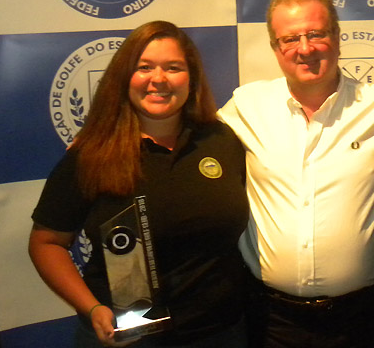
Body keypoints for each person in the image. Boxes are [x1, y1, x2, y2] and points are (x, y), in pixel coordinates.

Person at [29, 21, 249, 347]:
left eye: (173, 68)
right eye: (144, 67)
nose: (158, 79)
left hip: (221, 332)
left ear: (192, 79)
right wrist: (91, 308)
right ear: (124, 77)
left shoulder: (221, 139)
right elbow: (46, 243)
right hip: (127, 337)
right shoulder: (92, 154)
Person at [217, 0, 374, 348]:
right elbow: (183, 141)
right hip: (272, 321)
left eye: (316, 34)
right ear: (275, 48)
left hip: (358, 320)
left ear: (337, 35)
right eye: (289, 39)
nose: (305, 49)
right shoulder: (247, 105)